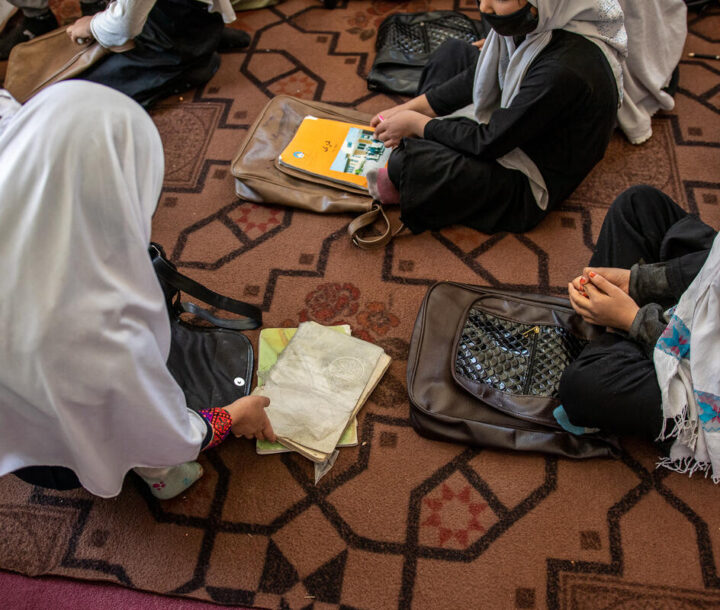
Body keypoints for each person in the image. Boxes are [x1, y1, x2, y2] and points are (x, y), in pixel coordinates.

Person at [0, 81, 275, 500]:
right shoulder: (102, 320)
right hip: (55, 460)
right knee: (147, 423)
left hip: (10, 436)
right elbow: (168, 434)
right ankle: (156, 474)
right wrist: (234, 415)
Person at [368, 0, 627, 236]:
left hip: (525, 174)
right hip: (513, 123)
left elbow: (490, 142)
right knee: (453, 52)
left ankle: (413, 168)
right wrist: (408, 110)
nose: (485, 8)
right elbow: (478, 77)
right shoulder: (545, 17)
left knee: (407, 163)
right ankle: (425, 150)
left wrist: (417, 123)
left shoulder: (564, 69)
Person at [558, 185, 720, 480]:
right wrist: (640, 281)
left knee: (582, 386)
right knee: (638, 205)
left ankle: (610, 337)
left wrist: (633, 320)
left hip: (707, 384)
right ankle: (615, 340)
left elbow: (709, 368)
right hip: (703, 314)